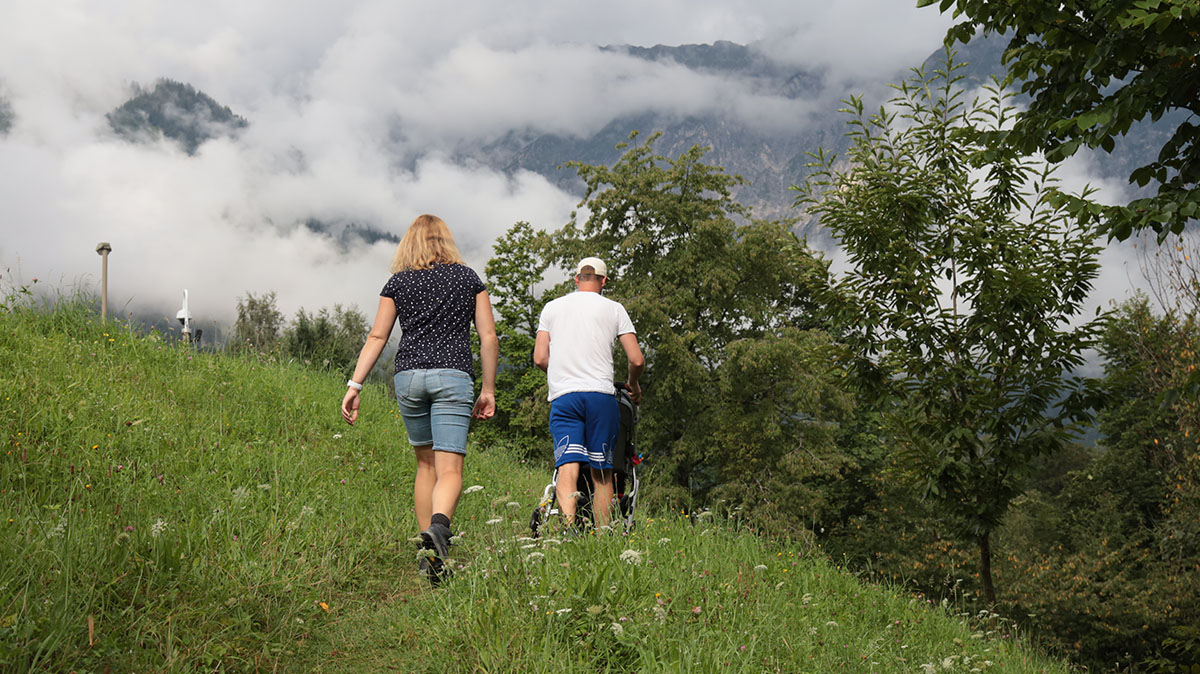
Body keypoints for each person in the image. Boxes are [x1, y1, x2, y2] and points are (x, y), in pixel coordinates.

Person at [341, 214, 498, 583]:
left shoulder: (398, 282)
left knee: (425, 466)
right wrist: (488, 389)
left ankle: (428, 553)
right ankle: (440, 530)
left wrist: (355, 385)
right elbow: (488, 336)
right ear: (446, 241)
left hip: (409, 379)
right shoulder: (468, 278)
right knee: (450, 469)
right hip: (452, 376)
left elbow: (377, 338)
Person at [533, 256, 644, 529]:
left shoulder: (552, 307)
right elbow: (637, 360)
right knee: (602, 471)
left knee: (567, 465)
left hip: (565, 397)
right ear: (604, 280)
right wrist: (634, 384)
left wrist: (561, 372)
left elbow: (539, 358)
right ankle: (602, 536)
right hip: (600, 397)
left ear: (576, 279)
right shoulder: (614, 309)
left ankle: (569, 530)